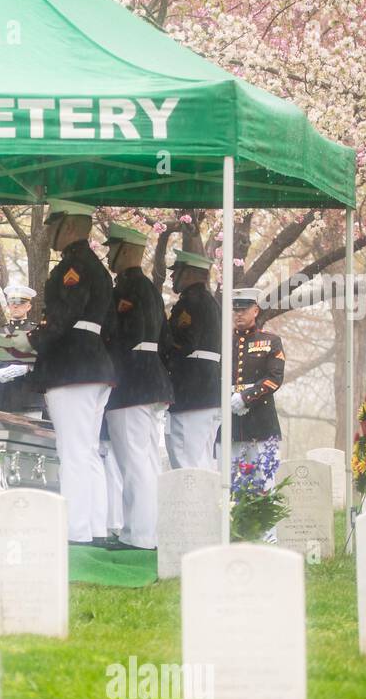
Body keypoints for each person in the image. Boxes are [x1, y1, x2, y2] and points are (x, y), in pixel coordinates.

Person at [28, 199, 116, 545]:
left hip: (72, 367)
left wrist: (32, 340)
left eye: (54, 225)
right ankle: (94, 527)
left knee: (73, 452)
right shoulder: (95, 266)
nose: (50, 232)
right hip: (92, 365)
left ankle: (76, 530)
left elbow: (63, 316)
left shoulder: (74, 266)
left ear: (68, 226)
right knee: (88, 451)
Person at [103, 223, 172, 550]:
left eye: (112, 248)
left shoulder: (129, 289)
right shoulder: (149, 289)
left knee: (134, 462)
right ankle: (142, 531)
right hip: (147, 380)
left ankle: (140, 534)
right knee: (142, 460)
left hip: (132, 382)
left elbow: (118, 334)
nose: (108, 255)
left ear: (126, 251)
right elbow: (165, 340)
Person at [159, 248, 221, 470]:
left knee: (186, 461)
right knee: (201, 462)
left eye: (177, 271)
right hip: (206, 392)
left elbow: (184, 343)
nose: (172, 276)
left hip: (191, 391)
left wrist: (161, 348)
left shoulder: (192, 301)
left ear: (190, 273)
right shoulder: (209, 301)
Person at [228, 288, 285, 490]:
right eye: (235, 310)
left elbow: (274, 378)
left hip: (260, 420)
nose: (238, 314)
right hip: (230, 421)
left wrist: (245, 397)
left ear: (255, 311)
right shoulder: (224, 342)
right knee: (229, 482)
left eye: (243, 310)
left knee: (264, 484)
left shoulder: (271, 341)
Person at [0, 284, 43, 416]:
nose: (16, 306)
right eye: (12, 303)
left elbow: (51, 362)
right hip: (3, 397)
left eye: (21, 303)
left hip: (29, 399)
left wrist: (29, 367)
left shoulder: (38, 332)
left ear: (28, 306)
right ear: (8, 305)